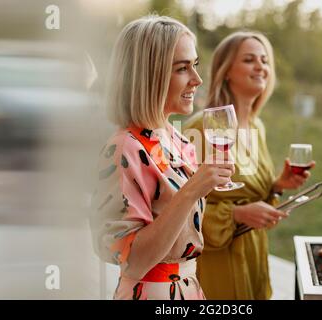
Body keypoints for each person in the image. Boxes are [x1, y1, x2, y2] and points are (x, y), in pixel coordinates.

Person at [89, 15, 235, 300]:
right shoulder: (123, 149)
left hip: (187, 288)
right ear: (149, 74)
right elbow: (133, 261)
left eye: (195, 65)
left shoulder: (177, 140)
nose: (197, 79)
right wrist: (193, 189)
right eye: (183, 68)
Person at [185, 31, 315, 299]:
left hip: (254, 256)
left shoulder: (257, 126)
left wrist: (278, 185)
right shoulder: (201, 128)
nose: (260, 67)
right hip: (217, 265)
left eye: (265, 60)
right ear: (226, 70)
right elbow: (178, 209)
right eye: (249, 59)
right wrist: (235, 214)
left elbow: (250, 195)